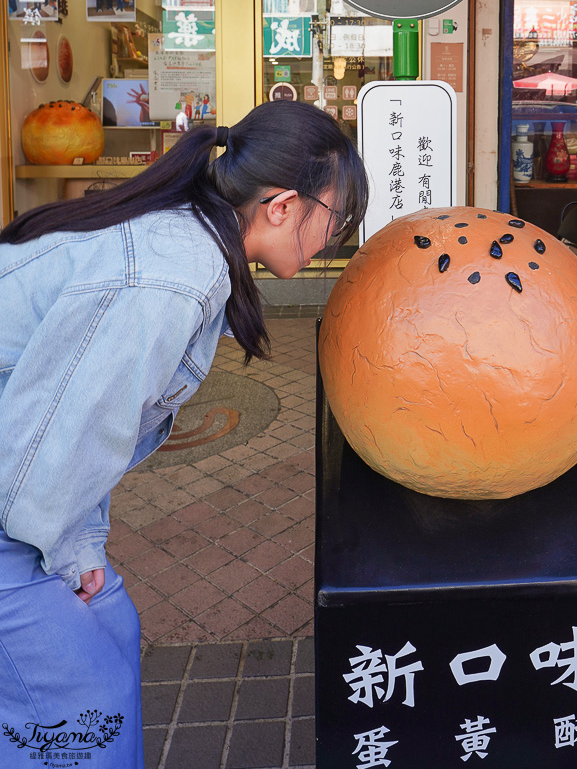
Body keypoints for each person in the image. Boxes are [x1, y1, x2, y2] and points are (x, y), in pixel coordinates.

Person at [0, 100, 368, 767]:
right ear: (283, 206)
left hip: (22, 501)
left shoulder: (187, 241)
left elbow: (74, 424)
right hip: (13, 510)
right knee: (79, 712)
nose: (335, 240)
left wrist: (79, 546)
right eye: (336, 220)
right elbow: (52, 450)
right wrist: (60, 553)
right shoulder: (170, 275)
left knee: (110, 627)